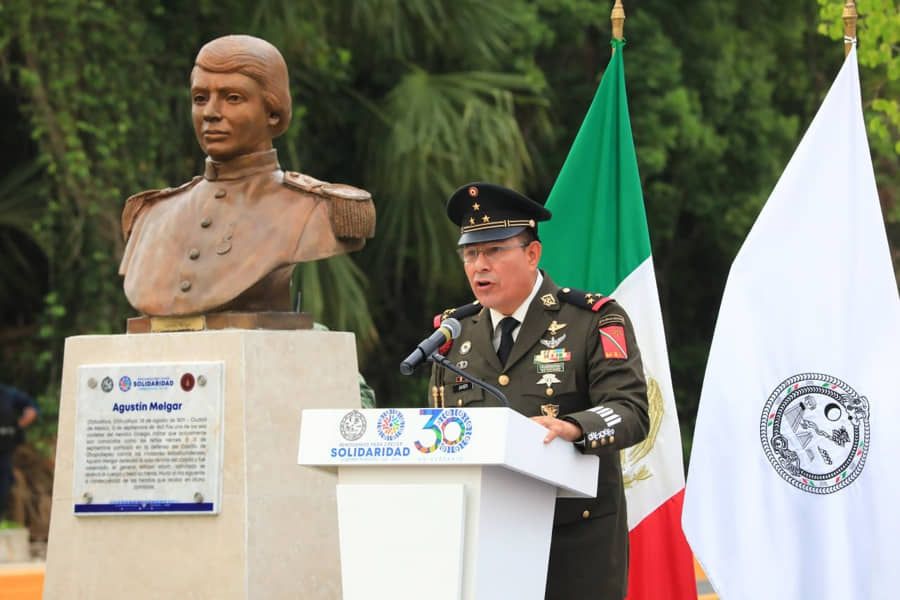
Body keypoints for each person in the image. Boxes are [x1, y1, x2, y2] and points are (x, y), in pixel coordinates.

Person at [429, 182, 650, 599]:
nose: (480, 266)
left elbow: (631, 410)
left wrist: (573, 428)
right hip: (483, 543)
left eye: (494, 251)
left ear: (532, 254)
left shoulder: (592, 320)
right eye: (470, 254)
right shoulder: (453, 336)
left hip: (573, 547)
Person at [119, 35, 375, 317]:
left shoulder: (317, 210)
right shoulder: (151, 214)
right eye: (200, 98)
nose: (210, 113)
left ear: (273, 114)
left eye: (233, 98)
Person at [0, 384, 38, 521]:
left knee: (4, 483)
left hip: (4, 450)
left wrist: (19, 425)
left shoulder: (8, 394)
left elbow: (32, 409)